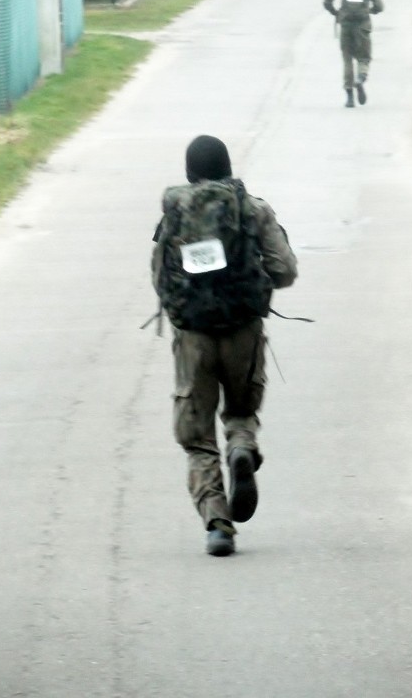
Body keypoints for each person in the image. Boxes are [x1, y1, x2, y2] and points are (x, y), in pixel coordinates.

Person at [151, 135, 298, 557]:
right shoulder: (252, 209)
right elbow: (284, 269)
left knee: (197, 437)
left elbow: (160, 276)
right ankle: (242, 448)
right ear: (228, 168)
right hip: (243, 331)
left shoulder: (175, 213)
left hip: (193, 337)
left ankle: (218, 525)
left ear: (189, 173)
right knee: (240, 410)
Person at [323, 0, 384, 108]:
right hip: (362, 24)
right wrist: (371, 10)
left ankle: (349, 96)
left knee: (347, 59)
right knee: (364, 57)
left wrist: (336, 13)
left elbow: (327, 1)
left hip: (346, 24)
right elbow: (379, 6)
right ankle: (361, 78)